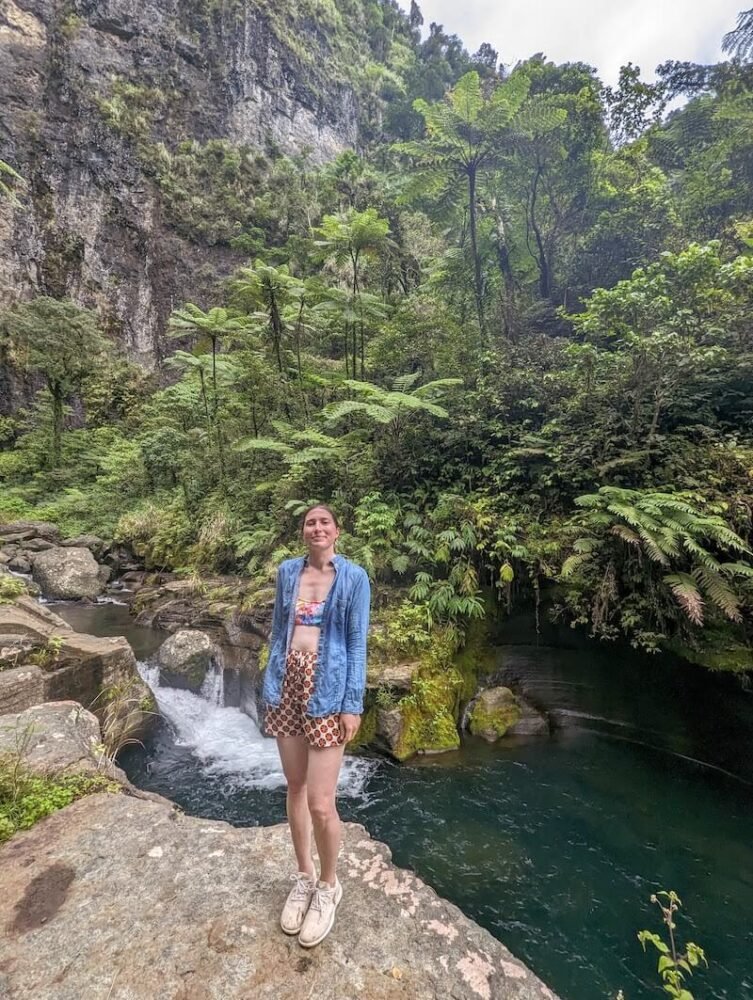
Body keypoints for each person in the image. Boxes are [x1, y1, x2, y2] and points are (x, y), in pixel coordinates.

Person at [262, 504, 370, 948]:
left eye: (325, 522)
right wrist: (270, 677)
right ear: (303, 532)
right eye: (311, 522)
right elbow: (277, 629)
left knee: (322, 803)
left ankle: (329, 885)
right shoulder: (288, 572)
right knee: (294, 786)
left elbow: (359, 641)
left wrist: (353, 704)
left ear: (337, 531)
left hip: (327, 688)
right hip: (286, 683)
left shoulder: (354, 577)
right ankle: (303, 876)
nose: (318, 528)